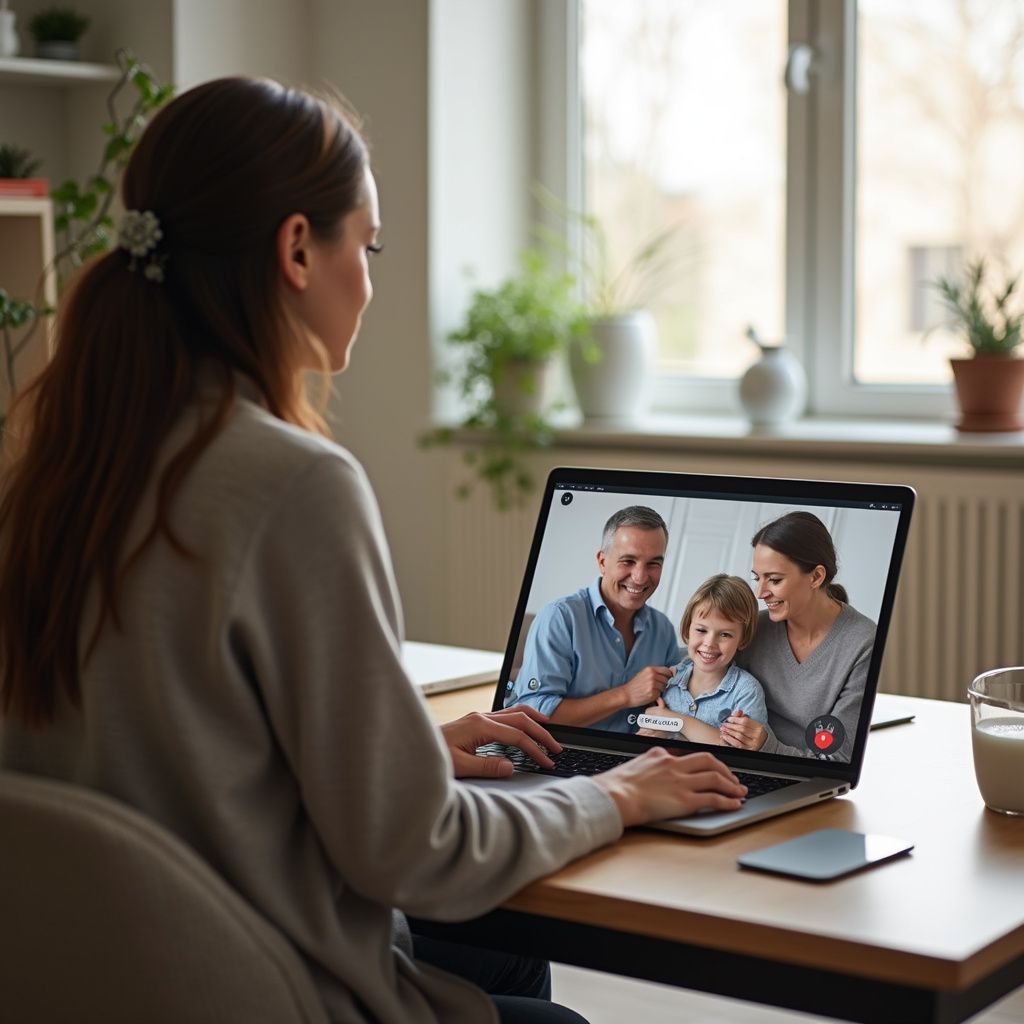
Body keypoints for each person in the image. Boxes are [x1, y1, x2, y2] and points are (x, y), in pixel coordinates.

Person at [0, 77, 747, 1024]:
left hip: (103, 981)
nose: (371, 275)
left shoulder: (56, 470)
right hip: (269, 986)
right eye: (370, 244)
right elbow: (417, 853)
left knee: (502, 957)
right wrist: (618, 796)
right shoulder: (294, 483)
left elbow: (155, 755)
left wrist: (406, 755)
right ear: (299, 249)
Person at [504, 506, 681, 732]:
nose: (640, 577)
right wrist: (625, 694)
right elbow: (535, 714)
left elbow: (676, 702)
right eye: (628, 561)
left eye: (653, 564)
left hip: (638, 758)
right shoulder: (559, 617)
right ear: (602, 561)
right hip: (559, 752)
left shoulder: (663, 629)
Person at [720, 511, 876, 759]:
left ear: (816, 577)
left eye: (774, 580)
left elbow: (838, 758)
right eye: (757, 578)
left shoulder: (862, 642)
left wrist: (768, 747)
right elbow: (699, 664)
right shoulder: (754, 628)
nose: (760, 593)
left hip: (804, 776)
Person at [638, 574, 766, 743]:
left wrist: (675, 721)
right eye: (701, 630)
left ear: (741, 640)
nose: (709, 643)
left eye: (725, 634)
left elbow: (738, 749)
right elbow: (648, 722)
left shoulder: (746, 691)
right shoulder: (668, 678)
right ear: (687, 629)